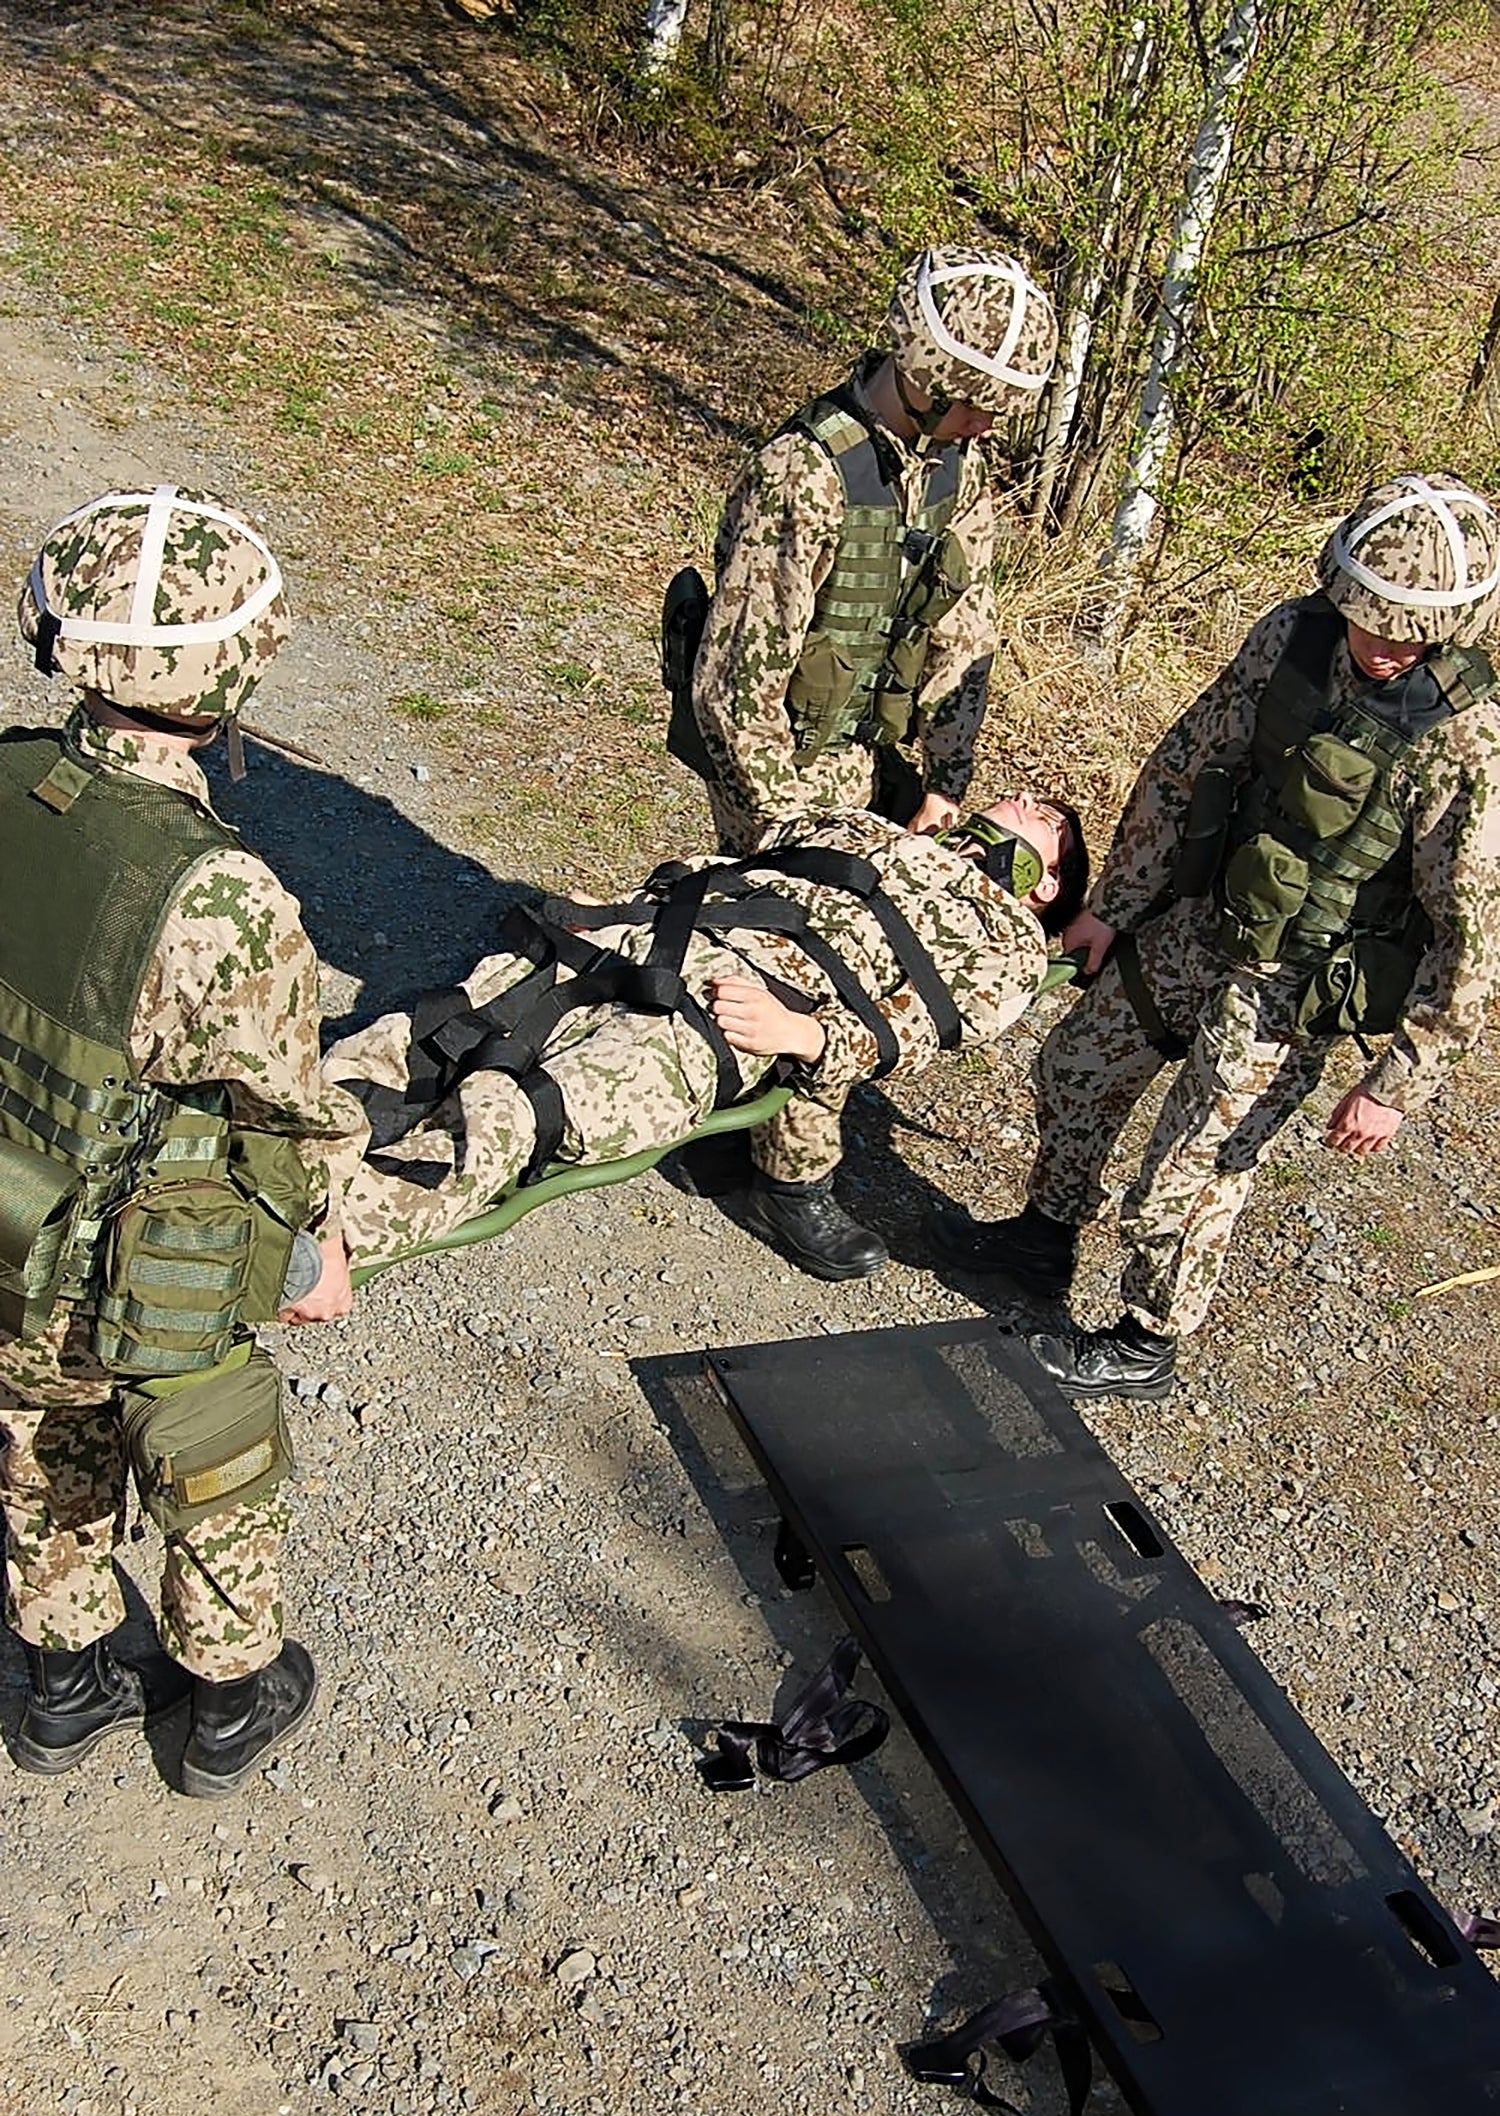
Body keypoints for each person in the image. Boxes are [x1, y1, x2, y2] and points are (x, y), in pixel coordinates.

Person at [930, 472, 1500, 1403]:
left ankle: (1146, 1340)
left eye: (1411, 633)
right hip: (1208, 919)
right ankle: (1042, 1237)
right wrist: (1112, 905)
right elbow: (1182, 764)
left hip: (1302, 977)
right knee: (1078, 1063)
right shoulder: (1291, 639)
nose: (1387, 648)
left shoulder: (1466, 744)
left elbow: (1470, 932)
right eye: (1371, 620)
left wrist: (1401, 1080)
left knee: (1188, 1172)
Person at [1, 486, 368, 1794]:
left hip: (5, 1226)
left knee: (40, 1441)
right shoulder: (222, 899)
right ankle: (226, 1699)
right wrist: (313, 1251)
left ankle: (61, 1683)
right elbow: (284, 1112)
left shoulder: (4, 781)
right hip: (120, 1269)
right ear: (234, 679)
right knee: (218, 1452)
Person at [662, 245, 1060, 1281]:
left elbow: (962, 641)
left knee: (836, 944)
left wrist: (943, 787)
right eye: (978, 408)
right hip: (781, 760)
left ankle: (724, 1109)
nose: (988, 430)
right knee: (809, 943)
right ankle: (788, 1175)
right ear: (927, 384)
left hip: (866, 759)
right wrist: (787, 828)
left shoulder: (954, 472)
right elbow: (733, 687)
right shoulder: (804, 477)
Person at [323, 795, 1088, 1275]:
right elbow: (751, 853)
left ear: (1046, 883)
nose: (1023, 798)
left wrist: (808, 1036)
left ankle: (320, 1242)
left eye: (1047, 819)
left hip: (730, 1010)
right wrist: (622, 907)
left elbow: (923, 1027)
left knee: (519, 1108)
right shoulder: (865, 826)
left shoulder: (1006, 936)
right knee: (437, 1033)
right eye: (1022, 792)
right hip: (651, 938)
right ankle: (266, 1142)